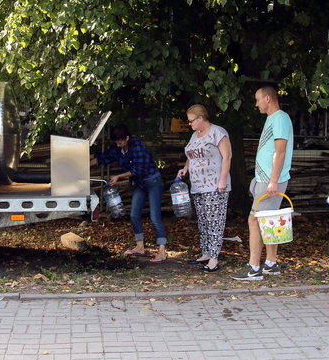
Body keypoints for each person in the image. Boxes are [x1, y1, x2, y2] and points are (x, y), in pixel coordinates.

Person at [233, 86, 294, 281]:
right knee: (268, 220)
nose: (256, 103)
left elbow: (280, 151)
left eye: (258, 99)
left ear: (268, 99)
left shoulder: (280, 119)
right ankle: (270, 264)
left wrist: (273, 181)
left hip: (270, 181)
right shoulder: (274, 119)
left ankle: (254, 268)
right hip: (266, 180)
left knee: (255, 220)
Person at [91, 125, 168, 263]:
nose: (118, 145)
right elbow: (104, 158)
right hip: (139, 184)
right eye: (116, 142)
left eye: (120, 142)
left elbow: (137, 170)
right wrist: (84, 165)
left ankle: (162, 251)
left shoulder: (138, 147)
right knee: (133, 214)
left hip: (152, 181)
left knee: (154, 216)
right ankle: (140, 247)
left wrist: (119, 176)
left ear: (127, 138)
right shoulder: (118, 149)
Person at [177, 104, 232, 272]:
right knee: (203, 222)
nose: (189, 124)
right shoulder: (195, 135)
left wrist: (222, 181)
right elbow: (191, 154)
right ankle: (206, 253)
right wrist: (186, 168)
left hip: (215, 186)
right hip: (198, 187)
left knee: (215, 222)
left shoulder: (218, 132)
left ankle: (214, 259)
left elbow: (227, 156)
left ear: (201, 118)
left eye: (191, 121)